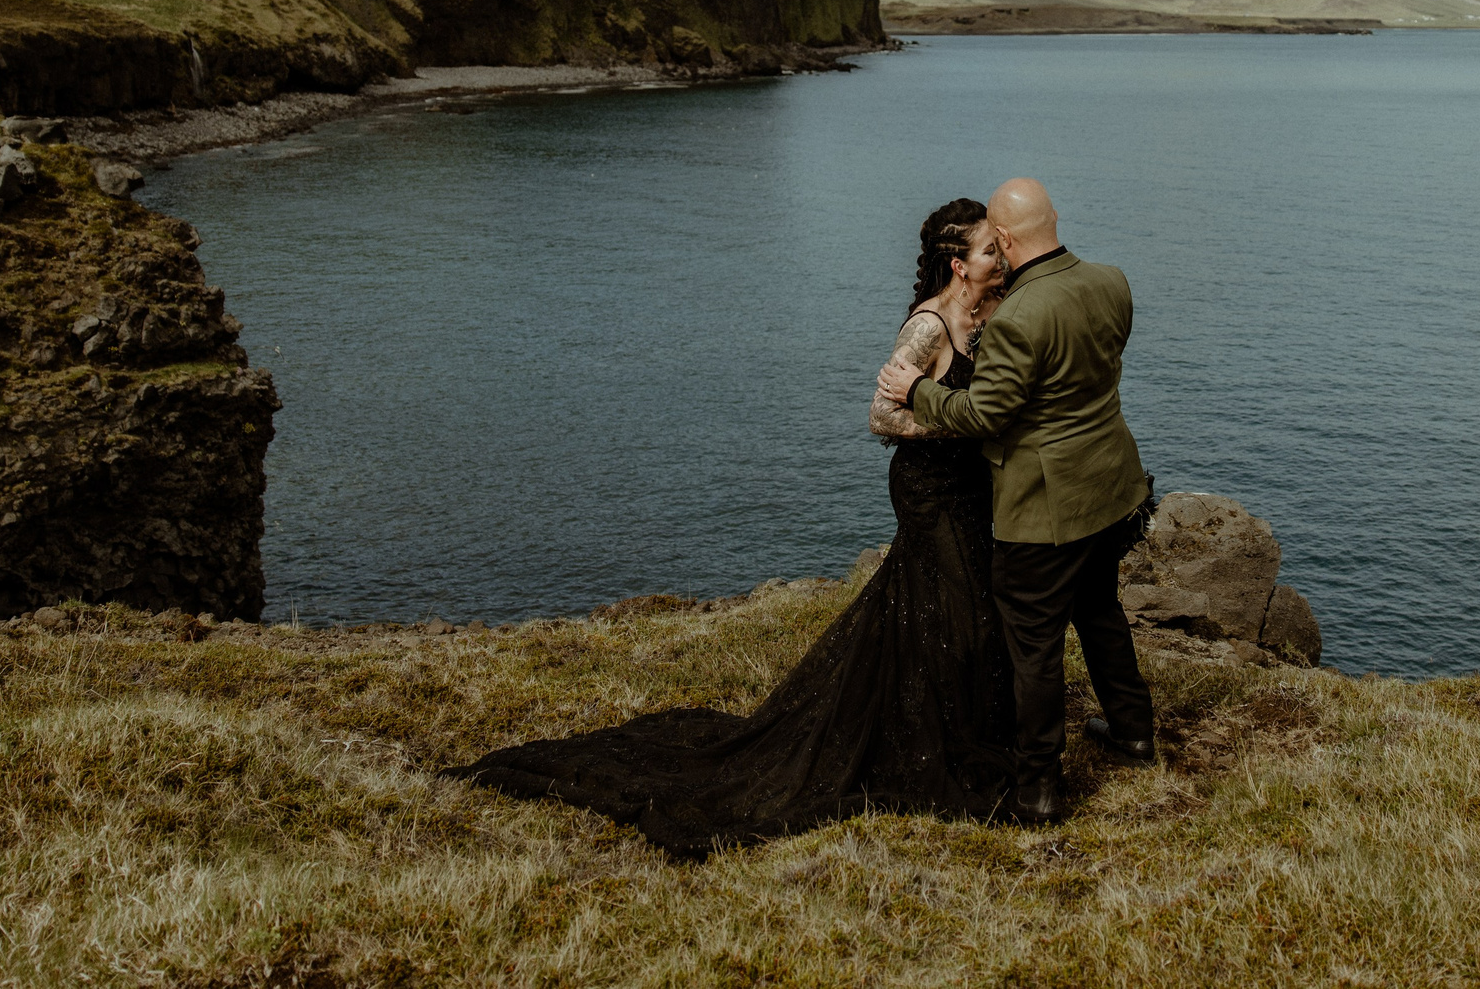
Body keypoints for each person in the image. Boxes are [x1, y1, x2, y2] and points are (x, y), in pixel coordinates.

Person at [443, 198, 1017, 858]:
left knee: (942, 608)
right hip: (929, 488)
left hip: (973, 491)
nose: (1000, 260)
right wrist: (956, 424)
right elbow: (880, 419)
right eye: (989, 252)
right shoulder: (927, 329)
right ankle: (930, 746)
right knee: (960, 608)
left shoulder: (994, 313)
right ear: (957, 264)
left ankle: (938, 730)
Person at [873, 177, 1155, 827]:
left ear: (1003, 239)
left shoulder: (1019, 318)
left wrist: (917, 389)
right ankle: (1135, 730)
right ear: (1054, 218)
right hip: (1112, 486)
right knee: (1101, 611)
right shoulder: (1111, 281)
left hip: (1048, 507)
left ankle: (1038, 789)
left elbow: (984, 414)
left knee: (1033, 648)